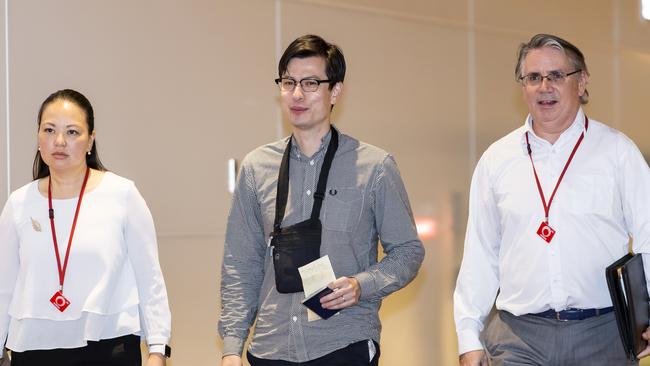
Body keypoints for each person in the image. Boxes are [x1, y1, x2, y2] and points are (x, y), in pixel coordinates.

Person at [218, 34, 424, 366]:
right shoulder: (257, 167)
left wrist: (362, 284)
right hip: (271, 346)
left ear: (335, 91)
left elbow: (409, 251)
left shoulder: (374, 167)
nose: (297, 94)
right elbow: (240, 263)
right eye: (288, 82)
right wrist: (232, 346)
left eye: (311, 83)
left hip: (343, 343)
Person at [453, 33, 650, 366]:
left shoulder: (618, 152)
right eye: (533, 77)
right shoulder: (497, 160)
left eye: (556, 76)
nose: (544, 87)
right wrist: (468, 336)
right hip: (518, 338)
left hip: (604, 334)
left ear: (582, 81)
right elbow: (480, 253)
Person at [0, 89, 172, 366]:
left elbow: (149, 279)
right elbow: (3, 285)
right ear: (38, 138)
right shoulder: (19, 203)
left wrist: (157, 348)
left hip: (109, 344)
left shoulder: (122, 194)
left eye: (72, 132)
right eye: (49, 130)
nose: (59, 141)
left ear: (90, 139)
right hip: (34, 346)